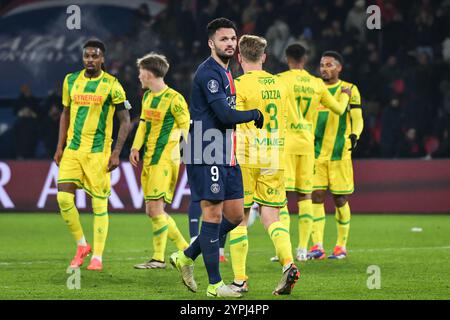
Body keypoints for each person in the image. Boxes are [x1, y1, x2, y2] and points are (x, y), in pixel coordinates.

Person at [169, 18, 264, 298]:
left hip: (225, 150)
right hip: (204, 149)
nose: (231, 44)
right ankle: (214, 285)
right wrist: (254, 114)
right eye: (224, 39)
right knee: (211, 214)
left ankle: (186, 256)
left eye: (233, 39)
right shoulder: (209, 73)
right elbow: (225, 115)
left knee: (235, 216)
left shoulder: (227, 72)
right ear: (211, 43)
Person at [228, 34, 300, 295]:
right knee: (272, 215)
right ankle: (288, 264)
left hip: (246, 156)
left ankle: (240, 280)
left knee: (239, 218)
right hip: (274, 154)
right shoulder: (281, 84)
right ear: (264, 57)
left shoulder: (237, 84)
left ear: (239, 57)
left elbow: (232, 119)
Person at [54, 39, 131, 271]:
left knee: (99, 205)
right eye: (87, 56)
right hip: (73, 150)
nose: (90, 60)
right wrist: (60, 146)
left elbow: (125, 121)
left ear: (102, 59)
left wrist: (117, 153)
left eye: (94, 56)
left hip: (98, 153)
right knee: (63, 199)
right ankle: (81, 245)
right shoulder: (70, 80)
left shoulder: (112, 85)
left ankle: (97, 256)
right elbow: (65, 114)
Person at [273, 44, 351, 262]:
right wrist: (345, 95)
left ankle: (285, 250)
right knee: (304, 195)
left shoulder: (280, 79)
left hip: (285, 143)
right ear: (305, 60)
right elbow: (338, 109)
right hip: (307, 145)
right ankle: (302, 249)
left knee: (281, 198)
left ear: (287, 58)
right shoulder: (316, 83)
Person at [129, 53, 190, 269]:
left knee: (155, 209)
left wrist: (190, 156)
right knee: (153, 210)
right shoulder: (148, 98)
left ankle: (158, 258)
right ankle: (186, 249)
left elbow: (186, 129)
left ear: (148, 73)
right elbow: (144, 125)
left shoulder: (175, 99)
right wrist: (136, 147)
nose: (138, 76)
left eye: (140, 72)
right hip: (150, 159)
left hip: (165, 160)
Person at [308, 51, 364, 260]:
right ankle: (317, 246)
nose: (324, 68)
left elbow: (357, 118)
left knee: (340, 198)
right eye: (322, 65)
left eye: (329, 65)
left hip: (340, 153)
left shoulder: (349, 89)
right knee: (316, 196)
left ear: (339, 67)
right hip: (316, 153)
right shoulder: (314, 88)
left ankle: (341, 245)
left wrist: (354, 134)